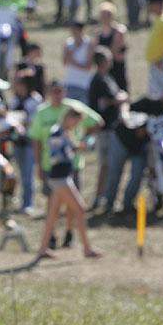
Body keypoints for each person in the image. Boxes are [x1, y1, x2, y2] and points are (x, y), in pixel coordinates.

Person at [30, 80, 103, 247]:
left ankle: (46, 246)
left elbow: (96, 123)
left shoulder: (66, 129)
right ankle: (86, 248)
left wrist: (81, 142)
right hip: (59, 175)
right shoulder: (56, 130)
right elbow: (56, 151)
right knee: (79, 208)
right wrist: (75, 147)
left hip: (67, 172)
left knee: (55, 212)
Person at [88, 46, 127, 210]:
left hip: (112, 128)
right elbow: (110, 100)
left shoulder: (107, 78)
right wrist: (122, 98)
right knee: (106, 164)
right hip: (105, 130)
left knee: (109, 164)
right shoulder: (99, 81)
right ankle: (100, 197)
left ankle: (105, 196)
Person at [11, 72, 42, 215]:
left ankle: (28, 203)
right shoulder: (14, 99)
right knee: (18, 172)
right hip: (16, 141)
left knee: (28, 174)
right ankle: (18, 199)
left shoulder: (35, 100)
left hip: (30, 142)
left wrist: (23, 121)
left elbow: (36, 121)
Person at [96, 1, 128, 91]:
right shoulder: (98, 33)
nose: (105, 17)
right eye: (103, 15)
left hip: (117, 68)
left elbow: (115, 52)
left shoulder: (119, 31)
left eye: (108, 14)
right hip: (103, 70)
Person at [62, 21, 95, 103]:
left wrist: (72, 61)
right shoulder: (68, 43)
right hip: (69, 83)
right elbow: (65, 62)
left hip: (84, 84)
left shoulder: (89, 44)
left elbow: (88, 67)